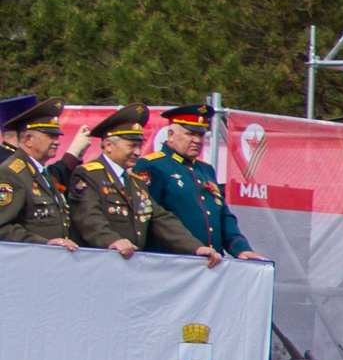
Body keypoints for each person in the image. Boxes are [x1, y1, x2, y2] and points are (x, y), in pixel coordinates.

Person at [68, 106, 220, 264]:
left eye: (139, 146)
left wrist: (195, 248)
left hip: (130, 265)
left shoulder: (136, 182)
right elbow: (88, 217)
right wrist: (112, 241)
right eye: (131, 146)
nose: (138, 152)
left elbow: (160, 219)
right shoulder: (88, 174)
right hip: (97, 263)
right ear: (108, 145)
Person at [134, 103, 261, 259]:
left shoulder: (206, 170)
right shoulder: (152, 165)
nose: (197, 140)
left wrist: (240, 248)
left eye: (200, 135)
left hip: (211, 261)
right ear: (171, 134)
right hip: (172, 261)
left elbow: (222, 215)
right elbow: (150, 217)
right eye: (190, 134)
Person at [0, 98, 80, 248]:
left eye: (57, 136)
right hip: (30, 261)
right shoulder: (10, 173)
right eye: (50, 136)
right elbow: (3, 227)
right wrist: (44, 243)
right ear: (28, 139)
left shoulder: (41, 172)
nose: (57, 141)